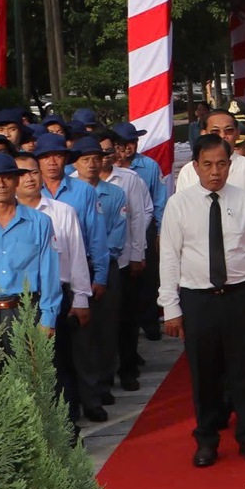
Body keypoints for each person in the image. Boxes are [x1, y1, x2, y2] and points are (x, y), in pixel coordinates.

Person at [160, 134, 245, 467]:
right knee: (204, 372)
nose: (215, 172)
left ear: (230, 164)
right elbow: (169, 258)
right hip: (198, 299)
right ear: (195, 166)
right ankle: (207, 439)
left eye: (222, 164)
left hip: (240, 295)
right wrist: (171, 308)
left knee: (244, 369)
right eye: (208, 164)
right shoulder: (179, 204)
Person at [14, 153, 90, 417]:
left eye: (33, 172)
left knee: (60, 365)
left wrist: (81, 298)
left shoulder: (62, 212)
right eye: (22, 173)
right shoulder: (6, 216)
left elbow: (77, 256)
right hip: (18, 301)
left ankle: (68, 427)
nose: (29, 178)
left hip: (57, 295)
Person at [0, 151, 60, 346]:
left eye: (7, 178)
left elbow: (50, 273)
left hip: (27, 311)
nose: (1, 184)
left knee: (29, 374)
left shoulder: (40, 222)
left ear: (16, 181)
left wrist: (48, 319)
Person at [68, 135, 128, 422]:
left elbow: (116, 232)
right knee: (80, 338)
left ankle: (102, 384)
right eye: (85, 159)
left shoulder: (114, 193)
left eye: (96, 158)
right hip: (70, 271)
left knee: (105, 330)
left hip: (104, 263)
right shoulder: (60, 191)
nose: (92, 164)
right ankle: (82, 392)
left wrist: (104, 264)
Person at [99, 131, 154, 391]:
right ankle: (104, 375)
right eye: (100, 153)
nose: (105, 157)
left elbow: (139, 217)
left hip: (123, 261)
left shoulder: (129, 180)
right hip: (93, 266)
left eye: (110, 151)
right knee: (102, 325)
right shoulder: (74, 180)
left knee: (127, 319)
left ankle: (128, 369)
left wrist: (137, 254)